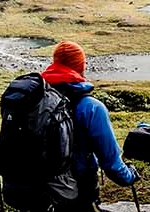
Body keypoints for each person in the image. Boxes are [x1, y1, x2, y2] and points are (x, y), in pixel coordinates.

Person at [43, 41, 139, 210]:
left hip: (33, 189)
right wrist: (130, 176)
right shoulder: (91, 107)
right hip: (75, 192)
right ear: (80, 66)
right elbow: (111, 164)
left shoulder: (36, 101)